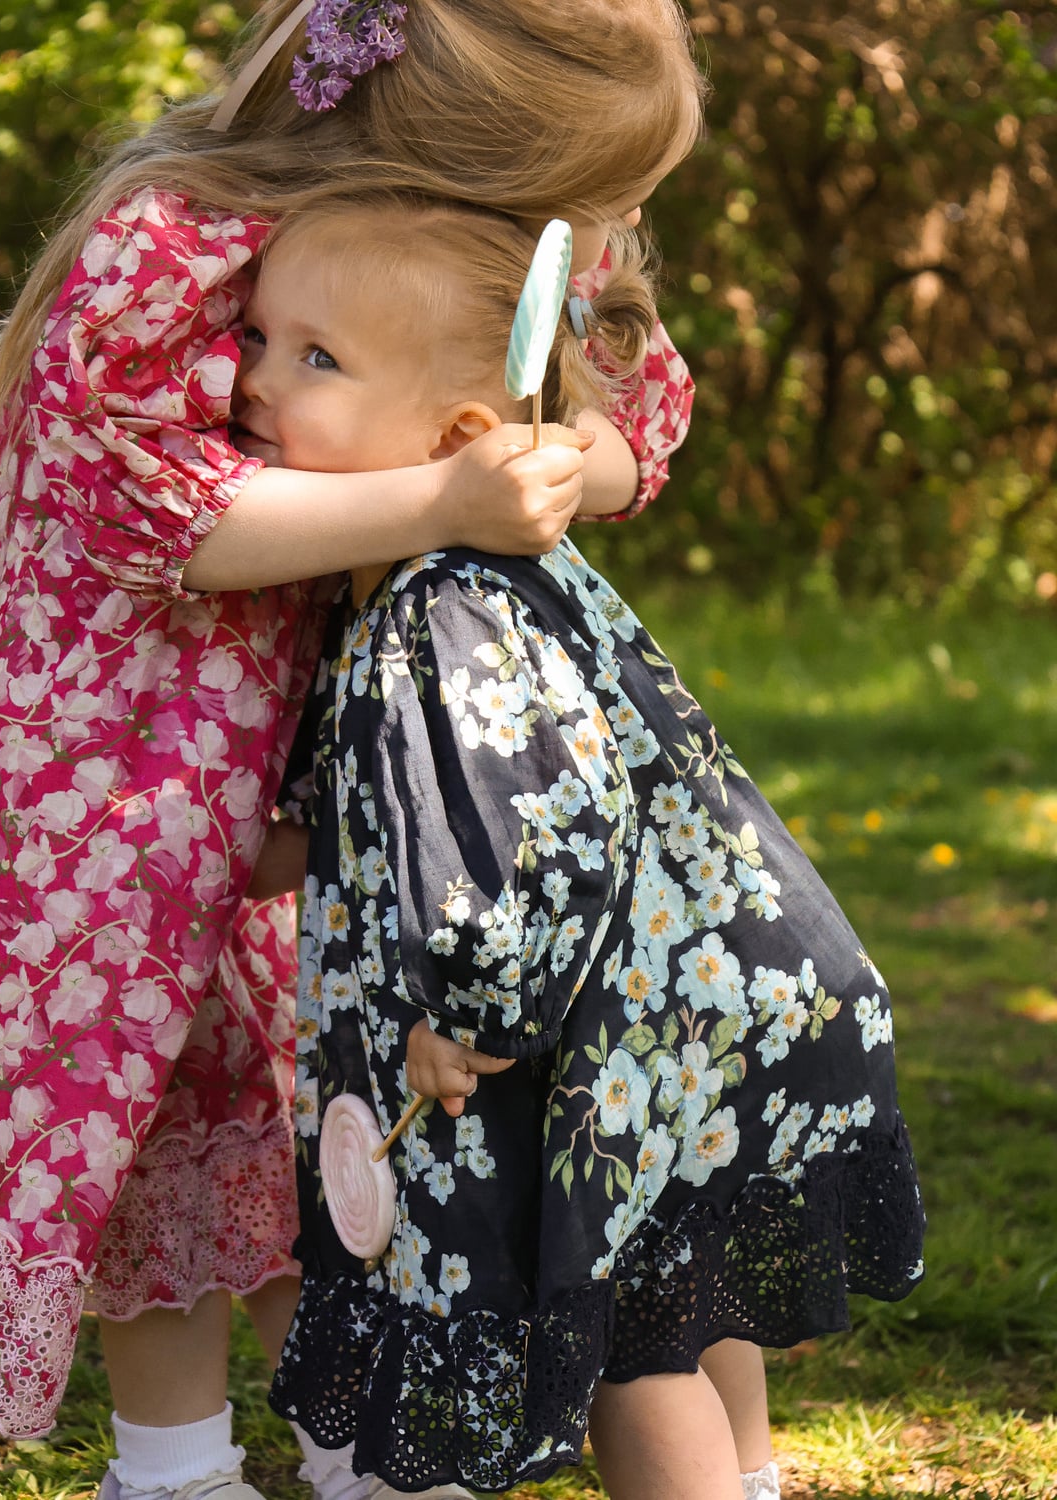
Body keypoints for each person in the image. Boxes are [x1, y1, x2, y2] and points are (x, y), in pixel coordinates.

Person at [0, 2, 708, 1499]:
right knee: (144, 1070)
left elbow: (628, 413)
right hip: (96, 734)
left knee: (311, 1065)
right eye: (582, 195)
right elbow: (164, 518)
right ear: (451, 155)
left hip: (295, 722)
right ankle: (173, 1466)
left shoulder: (495, 239)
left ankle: (351, 1435)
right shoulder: (177, 240)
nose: (601, 229)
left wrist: (570, 460)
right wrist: (445, 500)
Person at [254, 194, 927, 1500]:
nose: (252, 374)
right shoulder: (478, 574)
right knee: (674, 1286)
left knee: (626, 1344)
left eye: (312, 355)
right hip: (682, 1002)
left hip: (596, 1025)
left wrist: (470, 1010)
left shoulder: (434, 605)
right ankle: (748, 1483)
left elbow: (526, 828)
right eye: (264, 336)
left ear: (456, 435)